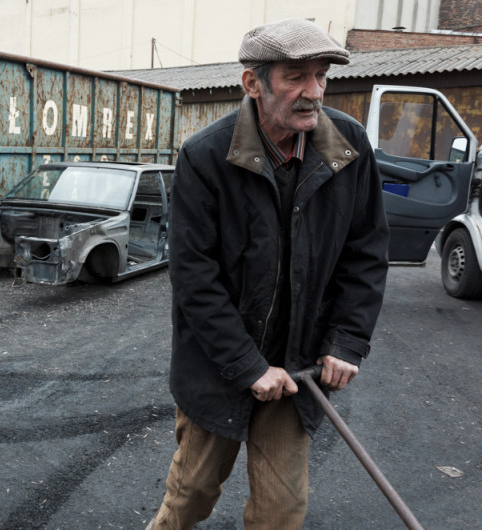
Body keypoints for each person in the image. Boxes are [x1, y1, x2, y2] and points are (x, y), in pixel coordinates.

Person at [146, 18, 389, 530]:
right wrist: (246, 366)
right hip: (217, 364)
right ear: (253, 83)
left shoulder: (349, 148)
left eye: (321, 76)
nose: (313, 92)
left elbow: (365, 253)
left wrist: (346, 342)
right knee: (191, 496)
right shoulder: (204, 156)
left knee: (281, 513)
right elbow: (194, 276)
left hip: (297, 366)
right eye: (295, 76)